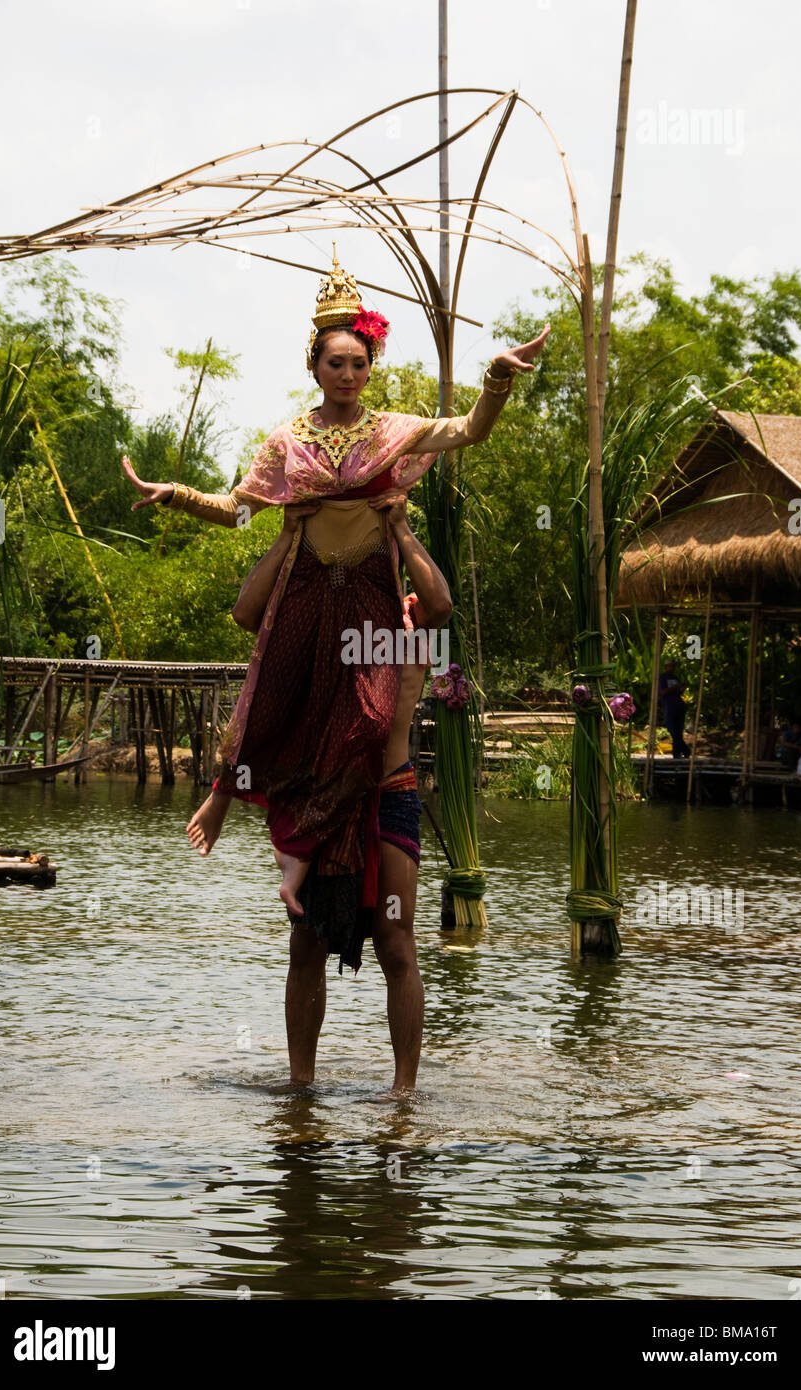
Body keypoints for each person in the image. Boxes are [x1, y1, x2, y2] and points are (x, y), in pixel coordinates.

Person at [123, 245, 549, 957]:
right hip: (306, 588)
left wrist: (495, 379)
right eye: (334, 364)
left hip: (374, 594)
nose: (347, 375)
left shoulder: (393, 433)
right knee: (269, 701)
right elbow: (237, 512)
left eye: (358, 363)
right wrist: (177, 497)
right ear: (313, 366)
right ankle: (230, 798)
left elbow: (469, 430)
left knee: (372, 719)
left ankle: (312, 853)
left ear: (370, 367)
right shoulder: (287, 442)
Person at [189, 496, 448, 1092]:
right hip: (322, 797)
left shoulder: (406, 632)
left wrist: (403, 527)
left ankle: (403, 1094)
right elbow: (248, 615)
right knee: (306, 943)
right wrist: (287, 537)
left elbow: (441, 602)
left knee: (395, 940)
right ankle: (300, 1088)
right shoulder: (323, 621)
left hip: (389, 792)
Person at [658, 658, 690, 759]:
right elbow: (662, 692)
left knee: (678, 732)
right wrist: (675, 687)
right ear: (665, 667)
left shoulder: (675, 678)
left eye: (672, 666)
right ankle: (685, 751)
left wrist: (682, 687)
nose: (671, 668)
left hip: (679, 708)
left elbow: (679, 691)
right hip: (669, 708)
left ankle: (677, 754)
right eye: (669, 666)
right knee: (673, 731)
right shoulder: (662, 678)